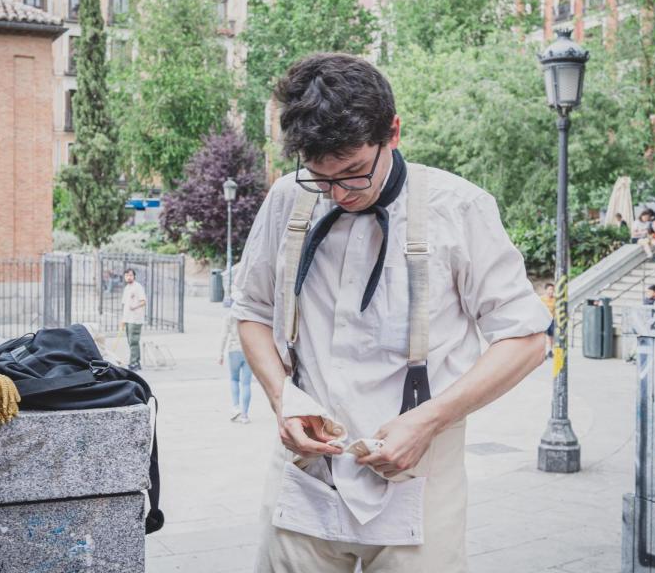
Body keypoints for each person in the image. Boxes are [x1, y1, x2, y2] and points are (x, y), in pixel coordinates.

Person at [232, 53, 550, 572]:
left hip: (422, 482)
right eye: (320, 176)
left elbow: (528, 339)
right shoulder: (289, 198)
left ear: (394, 132)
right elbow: (250, 310)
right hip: (305, 475)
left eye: (355, 172)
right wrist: (281, 401)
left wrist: (429, 420)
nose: (339, 192)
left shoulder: (459, 207)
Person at [220, 302, 254, 424]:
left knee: (234, 380)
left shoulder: (229, 316)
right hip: (247, 350)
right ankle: (244, 415)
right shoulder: (249, 315)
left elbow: (224, 336)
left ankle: (236, 408)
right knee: (246, 384)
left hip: (233, 351)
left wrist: (220, 354)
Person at [119, 268, 146, 370]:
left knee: (134, 340)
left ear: (134, 276)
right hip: (128, 319)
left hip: (135, 319)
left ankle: (134, 362)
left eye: (130, 275)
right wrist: (123, 320)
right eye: (126, 275)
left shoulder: (138, 287)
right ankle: (136, 362)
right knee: (130, 341)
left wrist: (134, 307)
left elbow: (143, 301)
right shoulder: (127, 288)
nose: (128, 277)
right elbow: (125, 306)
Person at [540, 283, 556, 358]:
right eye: (550, 289)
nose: (551, 291)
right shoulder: (542, 299)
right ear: (546, 290)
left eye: (552, 290)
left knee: (551, 336)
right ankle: (545, 352)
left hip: (551, 320)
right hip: (543, 319)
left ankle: (550, 350)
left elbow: (556, 310)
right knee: (545, 336)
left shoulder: (555, 299)